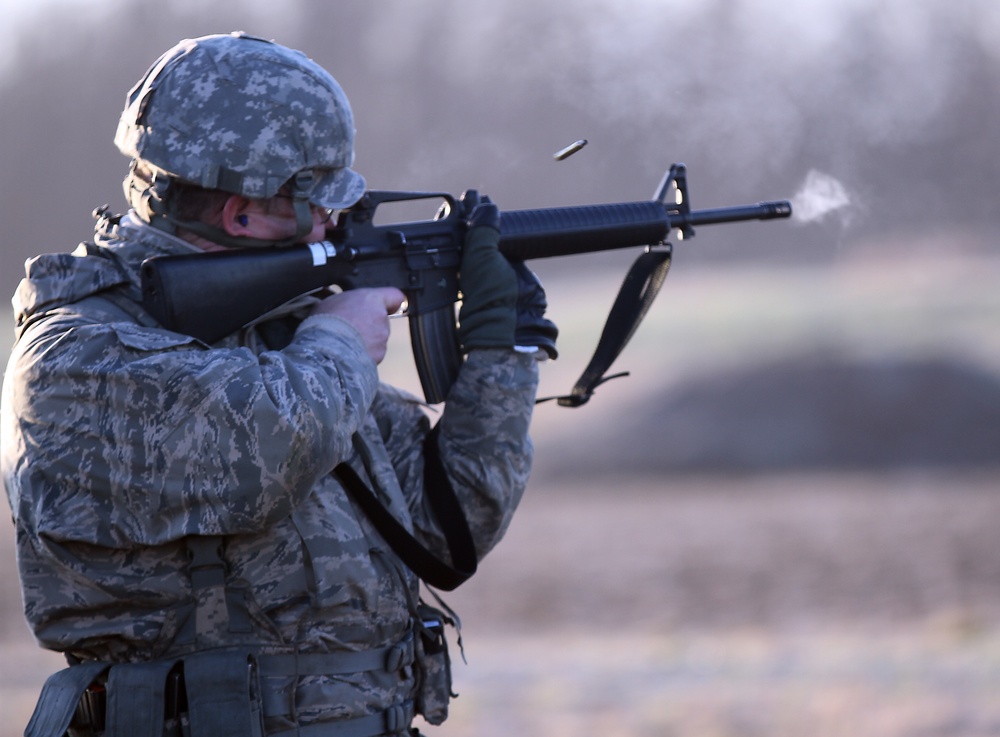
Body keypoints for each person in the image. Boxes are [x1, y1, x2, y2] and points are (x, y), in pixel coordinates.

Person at [2, 32, 557, 737]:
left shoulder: (286, 339)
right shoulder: (77, 359)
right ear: (242, 212)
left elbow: (448, 531)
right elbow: (265, 444)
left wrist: (502, 349)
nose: (334, 224)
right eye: (319, 204)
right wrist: (343, 338)